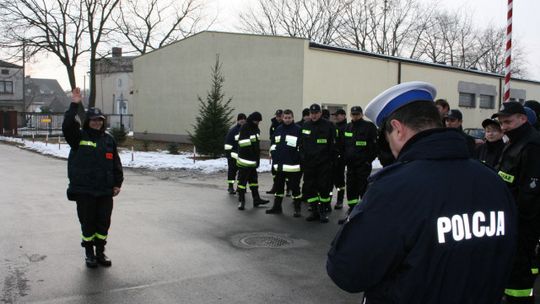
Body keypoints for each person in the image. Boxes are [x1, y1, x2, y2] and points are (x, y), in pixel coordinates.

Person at [327, 81, 517, 303]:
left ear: (397, 129)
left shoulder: (394, 188)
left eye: (387, 139)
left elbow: (347, 271)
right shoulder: (492, 181)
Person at [62, 87, 124, 268]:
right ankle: (89, 253)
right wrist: (74, 104)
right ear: (88, 121)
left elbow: (116, 164)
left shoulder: (108, 140)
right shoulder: (78, 137)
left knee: (103, 224)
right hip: (85, 191)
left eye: (100, 120)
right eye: (93, 120)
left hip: (105, 191)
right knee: (87, 224)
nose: (97, 123)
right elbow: (67, 126)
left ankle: (100, 253)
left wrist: (117, 183)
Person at [492, 101, 540, 303]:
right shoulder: (512, 142)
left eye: (508, 122)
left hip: (522, 223)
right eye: (502, 123)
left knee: (520, 273)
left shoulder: (533, 145)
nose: (504, 127)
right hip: (510, 218)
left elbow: (531, 193)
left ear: (523, 119)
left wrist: (516, 223)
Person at [338, 106, 377, 225]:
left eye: (357, 114)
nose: (355, 116)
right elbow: (343, 146)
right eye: (353, 114)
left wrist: (368, 161)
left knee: (363, 189)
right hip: (350, 166)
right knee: (351, 189)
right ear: (350, 115)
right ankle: (352, 211)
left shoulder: (369, 127)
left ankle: (364, 214)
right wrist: (344, 159)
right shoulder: (347, 127)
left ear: (361, 114)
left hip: (363, 166)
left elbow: (374, 147)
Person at [299, 103, 335, 223]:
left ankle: (323, 211)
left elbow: (332, 145)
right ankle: (314, 211)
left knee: (323, 188)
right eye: (312, 113)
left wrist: (329, 160)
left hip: (323, 163)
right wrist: (303, 157)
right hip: (309, 164)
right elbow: (302, 144)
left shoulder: (328, 125)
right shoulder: (305, 125)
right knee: (310, 187)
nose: (313, 115)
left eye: (316, 113)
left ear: (320, 113)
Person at [266, 109, 302, 217]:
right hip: (280, 165)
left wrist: (298, 158)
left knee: (295, 188)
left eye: (289, 117)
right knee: (278, 187)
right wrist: (274, 154)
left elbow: (302, 147)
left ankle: (297, 208)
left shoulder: (298, 130)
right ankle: (277, 207)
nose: (287, 120)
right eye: (285, 118)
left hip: (293, 166)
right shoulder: (278, 129)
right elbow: (273, 144)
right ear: (282, 118)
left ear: (293, 118)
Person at [236, 111, 269, 210]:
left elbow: (256, 145)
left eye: (259, 121)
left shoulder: (256, 129)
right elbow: (244, 144)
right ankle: (241, 201)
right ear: (252, 119)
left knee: (254, 181)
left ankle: (256, 199)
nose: (258, 123)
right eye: (256, 121)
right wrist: (253, 157)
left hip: (252, 160)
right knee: (242, 183)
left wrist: (256, 159)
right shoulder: (245, 128)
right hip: (245, 161)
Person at [224, 113, 246, 194]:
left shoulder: (247, 130)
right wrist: (229, 155)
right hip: (233, 157)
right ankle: (230, 187)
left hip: (243, 157)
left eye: (244, 119)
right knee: (232, 172)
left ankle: (240, 187)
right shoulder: (233, 131)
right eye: (241, 119)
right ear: (238, 120)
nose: (242, 120)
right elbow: (227, 144)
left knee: (242, 173)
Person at [331, 109, 347, 209]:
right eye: (335, 115)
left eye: (338, 115)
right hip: (332, 157)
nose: (336, 117)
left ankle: (340, 201)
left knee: (339, 181)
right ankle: (327, 202)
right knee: (329, 181)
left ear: (344, 116)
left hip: (341, 158)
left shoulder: (347, 127)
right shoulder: (334, 126)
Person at [267, 109, 284, 194]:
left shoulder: (285, 124)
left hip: (284, 150)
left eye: (280, 116)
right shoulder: (273, 124)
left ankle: (287, 189)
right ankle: (275, 186)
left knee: (284, 171)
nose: (278, 118)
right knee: (274, 170)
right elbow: (271, 137)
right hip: (275, 149)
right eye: (277, 116)